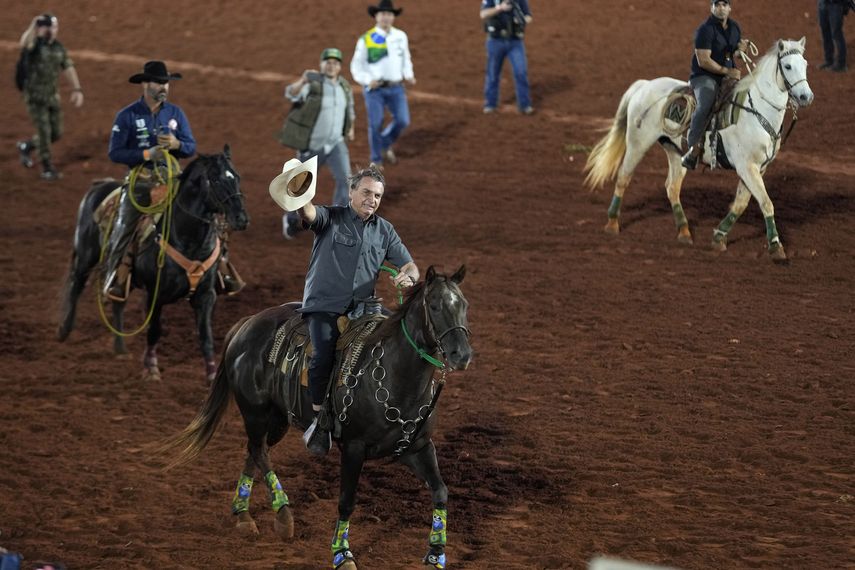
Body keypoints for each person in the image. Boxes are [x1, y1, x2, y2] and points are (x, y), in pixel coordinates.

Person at [288, 164, 418, 455]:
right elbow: (308, 213)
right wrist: (299, 196)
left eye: (378, 196)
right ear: (351, 192)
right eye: (367, 193)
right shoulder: (330, 217)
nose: (372, 200)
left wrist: (409, 276)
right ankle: (319, 421)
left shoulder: (385, 230)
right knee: (322, 355)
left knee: (400, 341)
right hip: (324, 306)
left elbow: (410, 265)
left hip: (364, 309)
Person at [102, 61, 197, 300]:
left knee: (200, 215)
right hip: (140, 183)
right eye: (158, 82)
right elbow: (115, 152)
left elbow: (190, 147)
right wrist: (146, 154)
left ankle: (216, 267)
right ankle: (113, 277)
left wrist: (177, 144)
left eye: (166, 83)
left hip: (171, 179)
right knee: (124, 226)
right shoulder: (127, 116)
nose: (164, 87)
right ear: (145, 84)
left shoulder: (176, 113)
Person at [278, 47, 356, 240]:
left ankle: (335, 222)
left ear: (339, 67)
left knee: (346, 180)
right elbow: (291, 93)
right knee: (300, 184)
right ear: (321, 65)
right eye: (328, 62)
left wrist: (350, 127)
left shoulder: (344, 87)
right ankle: (291, 218)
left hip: (336, 143)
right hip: (313, 144)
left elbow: (350, 108)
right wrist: (303, 80)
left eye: (335, 63)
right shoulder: (313, 84)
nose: (331, 66)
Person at [681, 0, 749, 170]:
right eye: (717, 4)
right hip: (705, 76)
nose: (721, 8)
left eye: (724, 4)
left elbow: (731, 53)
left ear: (729, 8)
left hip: (727, 75)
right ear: (711, 8)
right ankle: (693, 148)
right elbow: (703, 60)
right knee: (705, 104)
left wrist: (740, 50)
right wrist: (727, 71)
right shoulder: (705, 30)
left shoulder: (734, 27)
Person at [16, 13, 84, 180]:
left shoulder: (58, 48)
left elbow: (68, 67)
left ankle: (27, 146)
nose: (51, 31)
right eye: (48, 27)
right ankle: (46, 167)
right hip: (35, 98)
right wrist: (34, 26)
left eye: (54, 27)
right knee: (44, 133)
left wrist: (76, 89)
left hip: (52, 97)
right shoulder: (34, 45)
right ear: (40, 28)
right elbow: (24, 43)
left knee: (56, 133)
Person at [350, 0, 416, 168]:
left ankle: (384, 143)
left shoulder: (401, 36)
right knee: (375, 124)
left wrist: (408, 75)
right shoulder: (366, 39)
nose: (386, 17)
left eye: (389, 14)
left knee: (403, 120)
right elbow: (356, 66)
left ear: (393, 17)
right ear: (376, 16)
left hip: (396, 87)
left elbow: (406, 58)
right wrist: (367, 80)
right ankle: (376, 158)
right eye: (383, 14)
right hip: (375, 90)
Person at [480, 0, 534, 115]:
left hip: (515, 41)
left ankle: (524, 105)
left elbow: (528, 16)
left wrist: (521, 20)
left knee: (521, 72)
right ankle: (490, 104)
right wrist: (500, 8)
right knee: (493, 74)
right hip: (496, 41)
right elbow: (483, 14)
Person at [817, 0, 850, 72]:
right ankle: (829, 60)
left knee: (837, 33)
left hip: (836, 4)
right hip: (822, 3)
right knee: (825, 31)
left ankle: (841, 63)